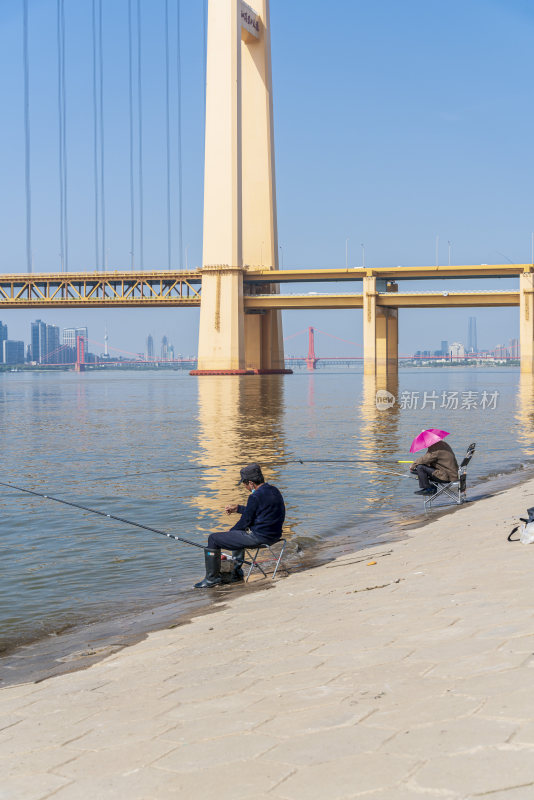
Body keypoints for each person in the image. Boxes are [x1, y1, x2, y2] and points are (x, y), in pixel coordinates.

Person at [194, 463, 286, 589]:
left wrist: (230, 533)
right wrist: (238, 508)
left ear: (251, 483)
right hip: (274, 536)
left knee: (213, 539)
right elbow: (259, 511)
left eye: (244, 484)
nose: (245, 487)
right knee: (237, 534)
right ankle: (236, 572)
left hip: (260, 538)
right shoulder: (274, 490)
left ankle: (211, 579)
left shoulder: (254, 496)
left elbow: (246, 521)